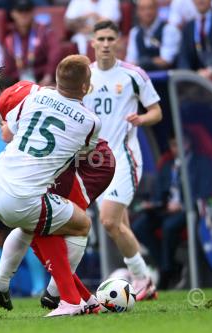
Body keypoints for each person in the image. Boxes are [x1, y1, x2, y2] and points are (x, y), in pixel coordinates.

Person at [0, 53, 114, 316]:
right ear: (86, 87)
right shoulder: (91, 122)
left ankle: (1, 284)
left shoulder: (34, 95)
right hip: (22, 195)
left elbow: (10, 130)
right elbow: (84, 152)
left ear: (55, 79)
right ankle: (65, 297)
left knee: (33, 225)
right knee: (80, 225)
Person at [80, 20, 162, 301]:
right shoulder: (84, 76)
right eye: (100, 38)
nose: (105, 44)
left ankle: (142, 278)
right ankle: (144, 278)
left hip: (125, 158)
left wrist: (141, 118)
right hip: (96, 164)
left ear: (118, 42)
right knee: (120, 227)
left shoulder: (133, 74)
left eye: (110, 39)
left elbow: (156, 111)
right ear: (92, 42)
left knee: (108, 222)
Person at [0, 117, 46, 296]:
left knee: (29, 230)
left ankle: (39, 288)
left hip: (24, 178)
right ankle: (0, 288)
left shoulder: (24, 114)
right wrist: (2, 165)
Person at [132, 133, 212, 289]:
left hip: (189, 210)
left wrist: (182, 204)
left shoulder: (202, 163)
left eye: (179, 144)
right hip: (165, 209)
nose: (176, 148)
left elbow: (205, 191)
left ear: (188, 143)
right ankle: (169, 266)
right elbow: (159, 191)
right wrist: (153, 204)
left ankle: (166, 271)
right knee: (139, 226)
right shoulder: (167, 165)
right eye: (173, 145)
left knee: (169, 227)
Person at [2, 0, 62, 86]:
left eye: (27, 11)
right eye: (20, 11)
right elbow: (8, 68)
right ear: (13, 13)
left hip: (42, 80)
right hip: (19, 82)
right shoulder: (10, 39)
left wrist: (48, 75)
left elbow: (55, 53)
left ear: (33, 12)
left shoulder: (44, 32)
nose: (24, 14)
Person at [125, 0, 181, 71]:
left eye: (150, 8)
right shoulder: (135, 32)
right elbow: (130, 61)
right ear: (137, 12)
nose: (147, 12)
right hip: (142, 78)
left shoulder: (169, 29)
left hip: (164, 78)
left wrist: (143, 62)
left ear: (157, 9)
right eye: (142, 9)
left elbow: (166, 60)